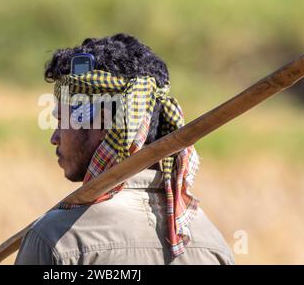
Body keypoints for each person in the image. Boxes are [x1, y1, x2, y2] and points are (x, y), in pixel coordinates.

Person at [14, 33, 234, 265]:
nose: (55, 137)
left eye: (61, 121)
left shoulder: (57, 240)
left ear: (102, 121)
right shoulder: (213, 246)